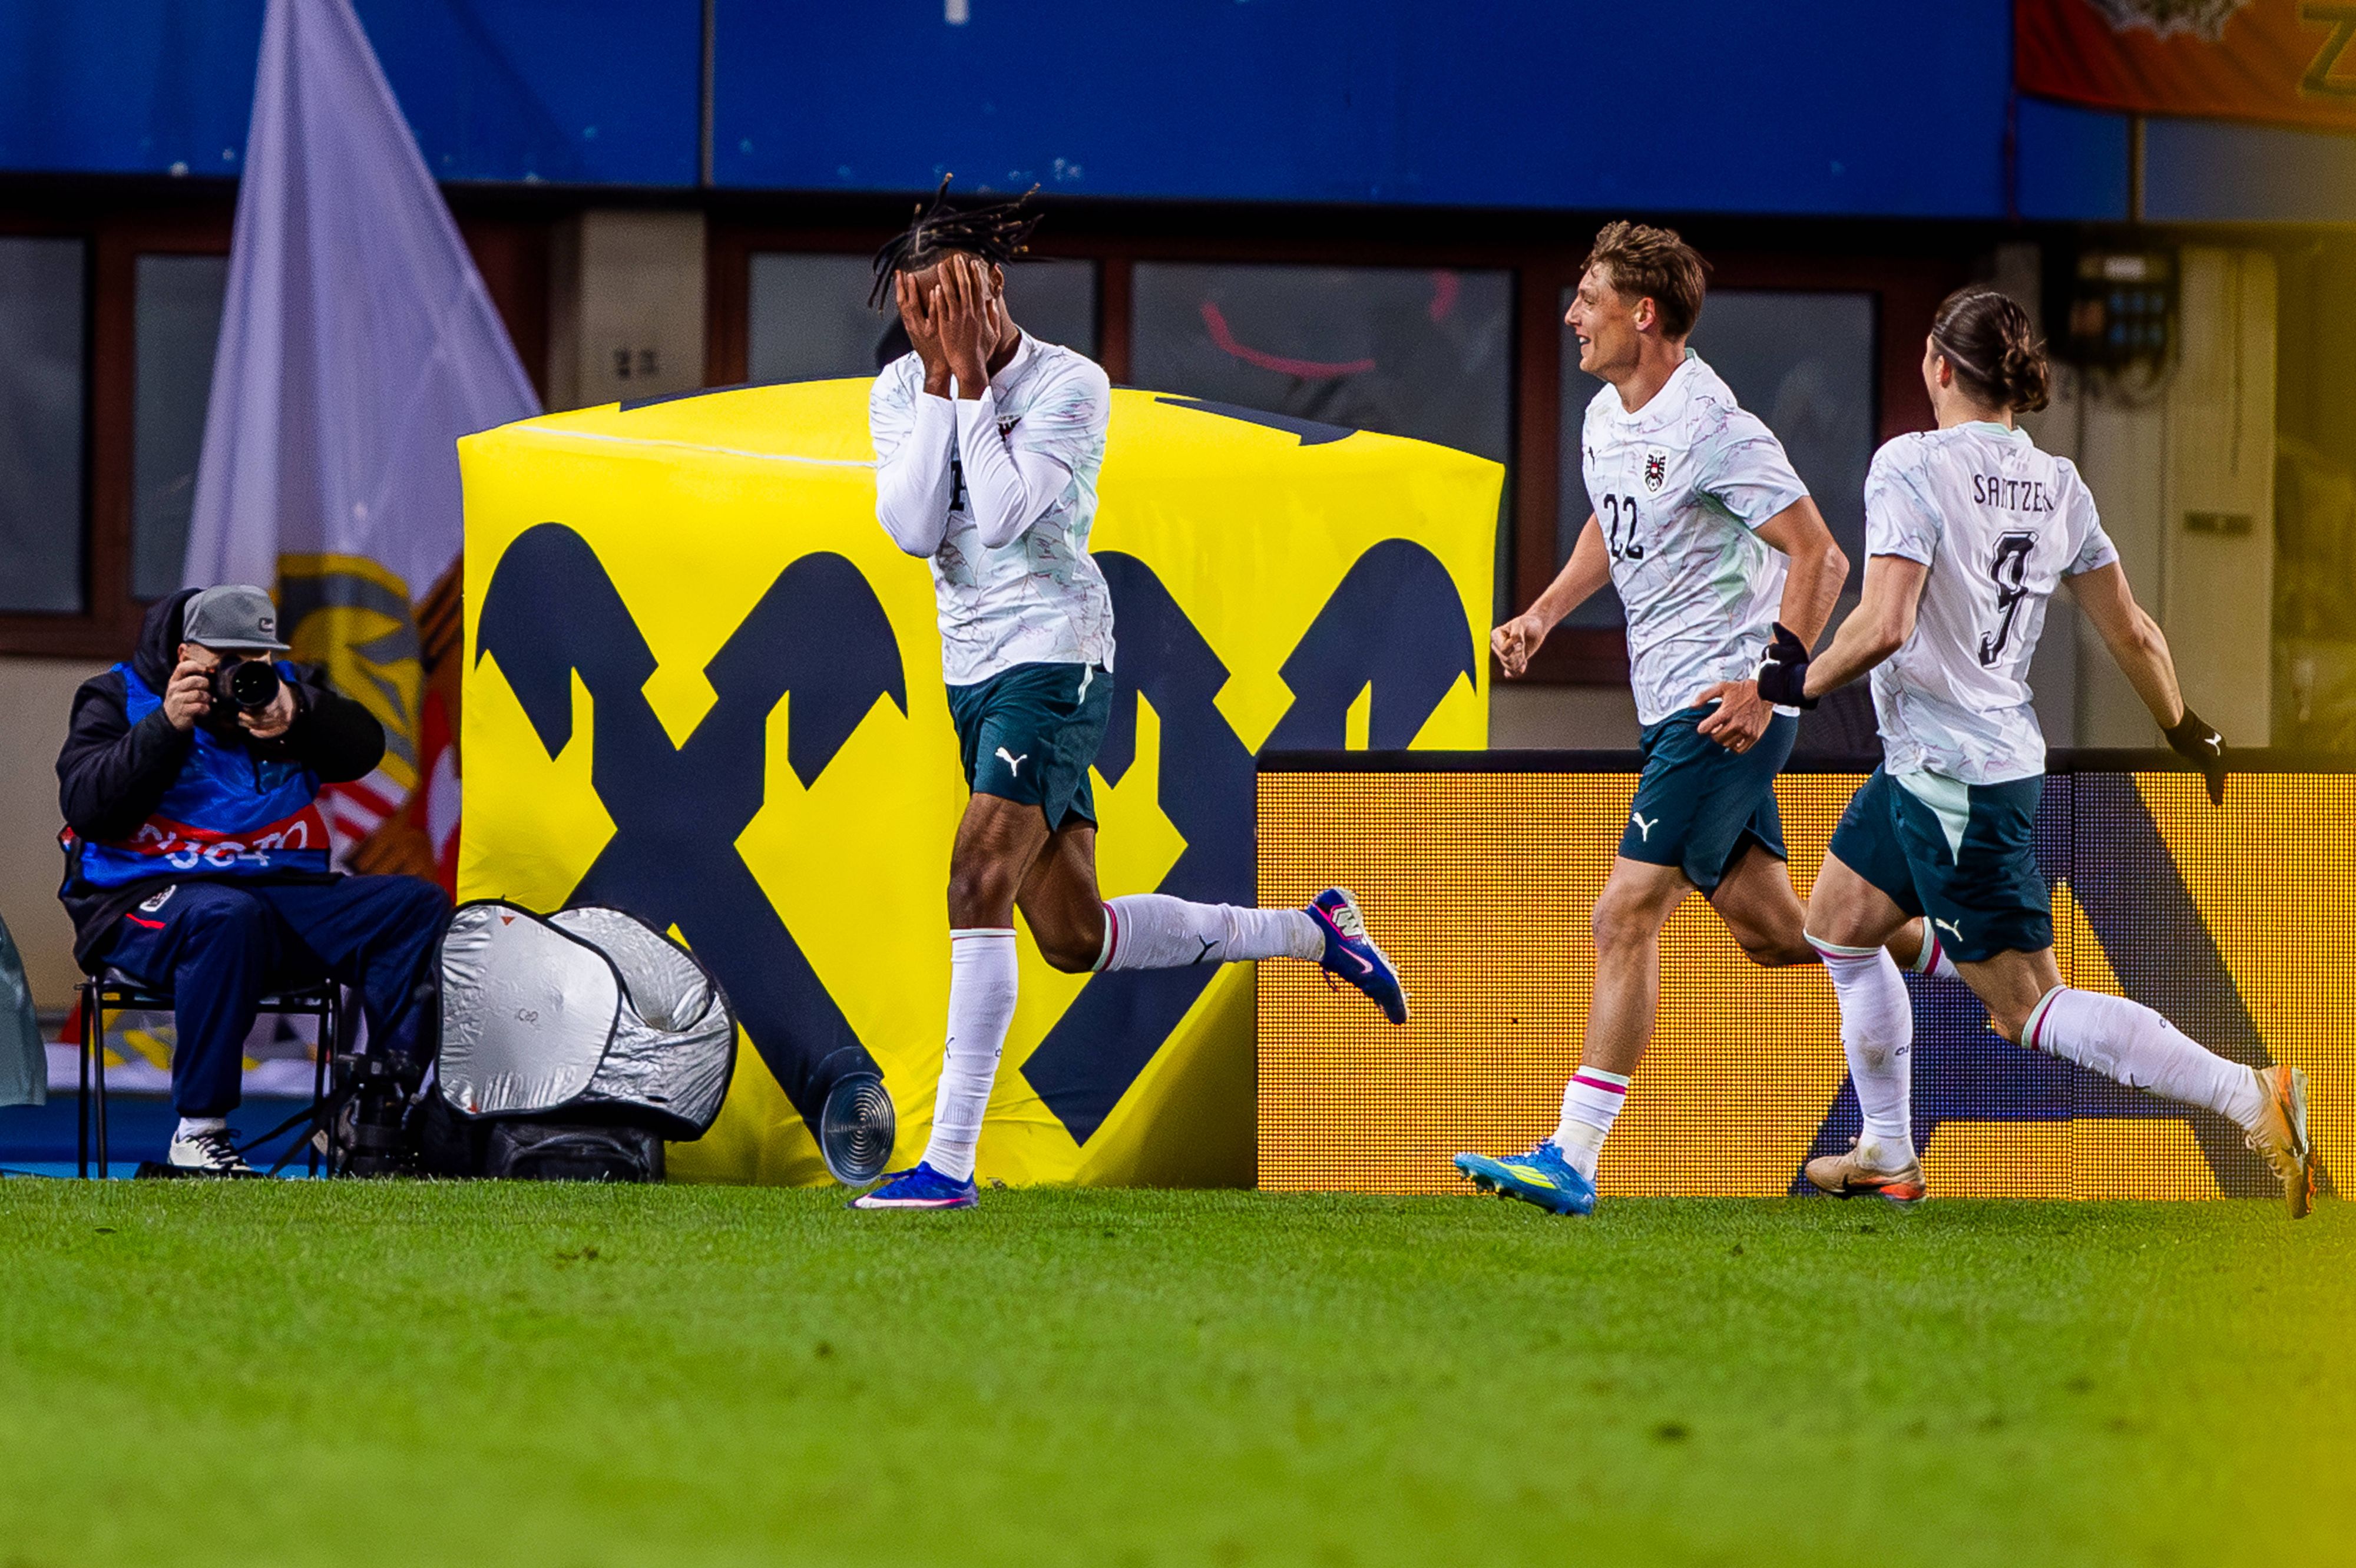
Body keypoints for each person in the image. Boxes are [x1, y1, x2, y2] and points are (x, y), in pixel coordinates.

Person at [855, 183, 1406, 1210]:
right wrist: (939, 381)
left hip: (1054, 656)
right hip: (969, 670)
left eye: (947, 296)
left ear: (991, 284)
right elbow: (916, 529)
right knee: (1073, 936)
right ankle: (1314, 929)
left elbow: (1007, 515)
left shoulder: (1070, 383)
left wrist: (969, 379)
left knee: (976, 877)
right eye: (916, 305)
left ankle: (948, 1165)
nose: (929, 318)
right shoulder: (899, 388)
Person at [1453, 221, 1950, 1217]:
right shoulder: (1607, 416)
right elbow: (1616, 524)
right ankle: (1950, 944)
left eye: (1588, 298)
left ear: (1643, 314)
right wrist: (1545, 614)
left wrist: (1769, 683)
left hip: (1719, 711)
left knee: (1622, 915)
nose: (1572, 316)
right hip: (1673, 708)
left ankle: (1572, 1155)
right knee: (1779, 934)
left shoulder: (1718, 428)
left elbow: (1822, 558)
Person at [1791, 287, 2312, 1216]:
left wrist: (1789, 684)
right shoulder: (2059, 484)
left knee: (2029, 1008)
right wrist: (2187, 727)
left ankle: (2252, 1094)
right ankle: (1887, 1151)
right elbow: (2133, 630)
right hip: (1941, 764)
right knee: (1837, 922)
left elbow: (1884, 623)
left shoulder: (1909, 463)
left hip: (1953, 781)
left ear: (1937, 365)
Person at [56, 585, 451, 1177]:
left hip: (274, 894)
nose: (241, 673)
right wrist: (166, 726)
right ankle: (199, 1132)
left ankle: (379, 1116)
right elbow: (88, 808)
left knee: (414, 907)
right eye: (226, 659)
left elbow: (365, 749)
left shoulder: (284, 691)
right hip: (143, 899)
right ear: (187, 654)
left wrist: (299, 716)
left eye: (256, 657)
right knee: (224, 914)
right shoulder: (118, 697)